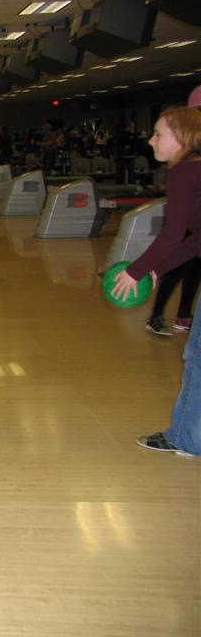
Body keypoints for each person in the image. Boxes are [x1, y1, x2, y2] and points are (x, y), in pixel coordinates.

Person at [111, 106, 201, 458]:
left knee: (197, 356)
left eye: (158, 133)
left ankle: (185, 439)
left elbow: (172, 233)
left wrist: (134, 271)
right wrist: (156, 269)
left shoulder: (184, 173)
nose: (150, 140)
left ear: (181, 138)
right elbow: (196, 240)